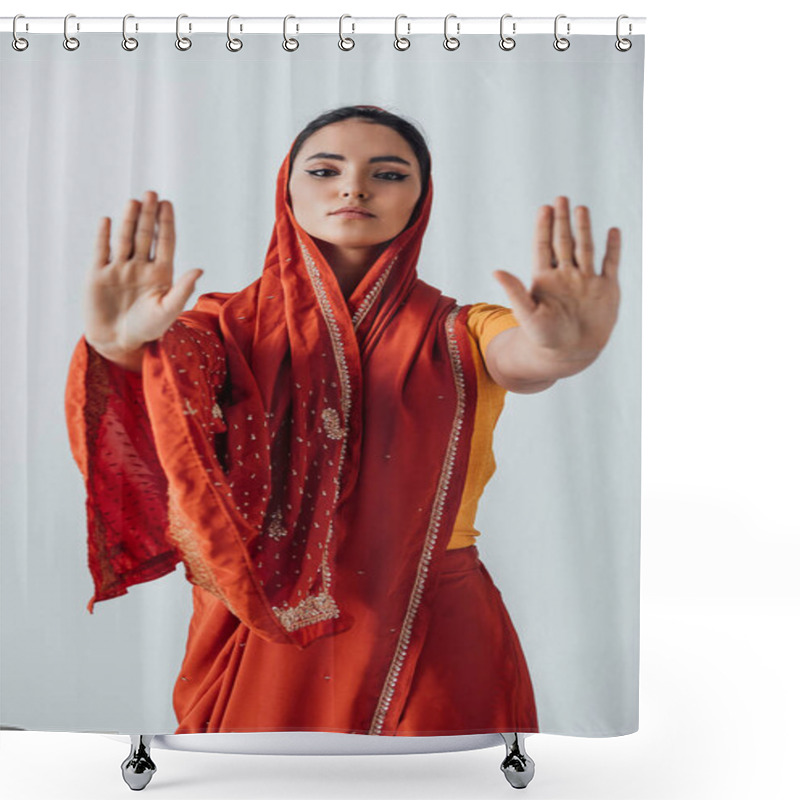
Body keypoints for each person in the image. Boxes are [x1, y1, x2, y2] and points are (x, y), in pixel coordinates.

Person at [64, 105, 621, 736]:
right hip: (263, 627)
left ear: (421, 197)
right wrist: (122, 351)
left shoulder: (463, 330)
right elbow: (168, 388)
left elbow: (524, 357)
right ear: (287, 187)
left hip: (428, 621)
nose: (353, 187)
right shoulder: (217, 329)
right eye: (326, 169)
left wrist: (562, 350)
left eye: (387, 174)